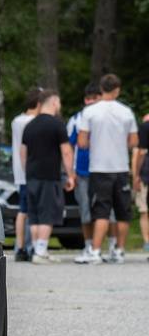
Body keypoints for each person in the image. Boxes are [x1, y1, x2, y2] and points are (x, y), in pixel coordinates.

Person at [75, 74, 139, 265]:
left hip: (99, 168)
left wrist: (96, 143)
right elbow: (134, 141)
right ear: (117, 90)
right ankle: (119, 251)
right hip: (120, 167)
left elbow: (82, 142)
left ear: (101, 89)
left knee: (101, 211)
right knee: (122, 212)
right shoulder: (126, 111)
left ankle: (95, 251)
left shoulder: (90, 111)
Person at [20, 89, 76, 264]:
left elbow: (23, 153)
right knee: (48, 214)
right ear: (53, 102)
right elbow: (66, 152)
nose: (59, 106)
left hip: (31, 176)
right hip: (49, 176)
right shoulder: (57, 125)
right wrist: (70, 175)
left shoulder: (29, 125)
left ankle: (38, 250)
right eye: (58, 102)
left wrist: (27, 171)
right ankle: (40, 251)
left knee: (35, 215)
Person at [67, 84, 101, 259]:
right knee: (85, 211)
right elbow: (68, 147)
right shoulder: (76, 119)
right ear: (85, 100)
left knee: (106, 212)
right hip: (82, 172)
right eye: (88, 98)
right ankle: (88, 245)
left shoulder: (105, 117)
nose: (91, 102)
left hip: (103, 171)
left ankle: (109, 246)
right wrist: (70, 173)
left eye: (95, 98)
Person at [11, 87, 42, 261]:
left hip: (19, 172)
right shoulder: (33, 122)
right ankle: (30, 247)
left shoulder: (16, 121)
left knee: (22, 211)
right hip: (31, 171)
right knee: (31, 211)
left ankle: (20, 246)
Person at [131, 113, 149, 252]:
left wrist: (136, 176)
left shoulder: (143, 130)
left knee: (144, 210)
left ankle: (147, 242)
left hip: (145, 176)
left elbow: (139, 154)